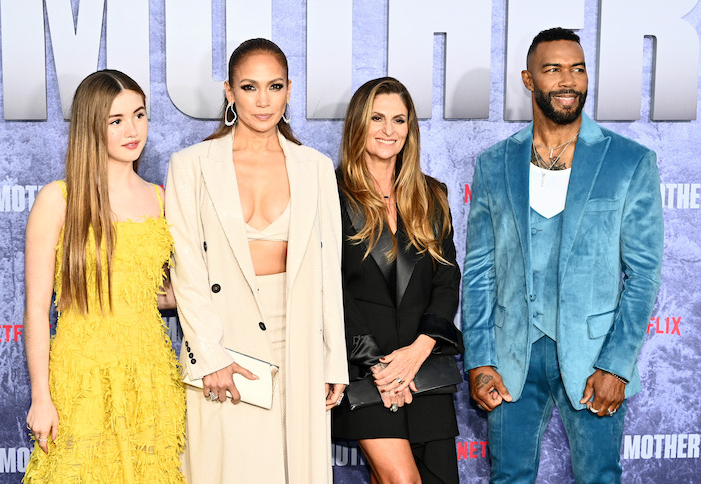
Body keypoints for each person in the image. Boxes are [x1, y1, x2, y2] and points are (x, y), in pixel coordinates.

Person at [461, 28, 663, 483]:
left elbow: (644, 274)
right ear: (529, 80)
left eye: (577, 68)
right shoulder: (494, 163)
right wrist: (479, 357)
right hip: (511, 352)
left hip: (594, 358)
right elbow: (478, 272)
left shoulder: (629, 161)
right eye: (553, 69)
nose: (568, 80)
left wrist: (617, 363)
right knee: (508, 477)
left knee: (600, 478)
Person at [165, 38, 348, 483]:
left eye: (275, 86)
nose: (263, 100)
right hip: (225, 338)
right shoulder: (191, 165)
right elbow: (187, 269)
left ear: (289, 91)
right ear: (229, 91)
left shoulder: (316, 167)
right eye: (249, 87)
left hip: (298, 338)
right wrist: (208, 356)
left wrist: (334, 358)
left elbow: (329, 270)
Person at [23, 70, 186, 483]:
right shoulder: (58, 199)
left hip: (149, 374)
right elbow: (37, 308)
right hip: (81, 377)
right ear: (91, 126)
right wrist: (41, 397)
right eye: (116, 120)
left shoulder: (161, 198)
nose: (132, 130)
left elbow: (160, 291)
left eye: (139, 114)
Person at [331, 77, 463, 484]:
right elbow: (329, 287)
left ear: (410, 129)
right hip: (365, 370)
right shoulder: (329, 193)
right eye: (377, 118)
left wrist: (419, 350)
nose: (388, 130)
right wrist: (380, 368)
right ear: (358, 123)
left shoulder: (431, 195)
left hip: (424, 366)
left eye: (399, 120)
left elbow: (446, 279)